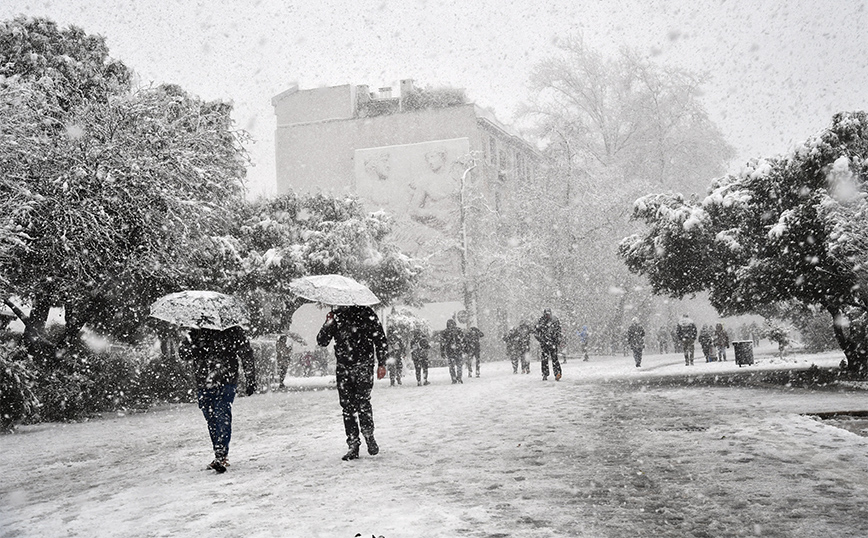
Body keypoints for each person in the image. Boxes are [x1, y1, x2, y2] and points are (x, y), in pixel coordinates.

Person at [178, 326, 256, 474]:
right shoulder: (195, 331)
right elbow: (183, 353)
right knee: (211, 417)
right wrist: (195, 349)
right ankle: (219, 452)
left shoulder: (232, 330)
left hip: (225, 379)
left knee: (221, 413)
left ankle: (221, 454)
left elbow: (246, 353)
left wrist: (250, 378)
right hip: (204, 380)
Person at [316, 305, 388, 461]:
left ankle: (368, 435)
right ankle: (353, 444)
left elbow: (380, 338)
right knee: (347, 407)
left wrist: (382, 363)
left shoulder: (366, 313)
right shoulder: (336, 316)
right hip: (344, 367)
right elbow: (322, 341)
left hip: (363, 364)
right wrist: (328, 324)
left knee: (363, 402)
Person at [534, 308, 563, 381]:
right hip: (544, 343)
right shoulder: (541, 321)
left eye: (548, 314)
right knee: (545, 359)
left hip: (553, 342)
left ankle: (557, 373)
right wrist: (541, 340)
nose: (547, 316)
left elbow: (559, 331)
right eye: (546, 314)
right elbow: (536, 333)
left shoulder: (554, 320)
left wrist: (558, 339)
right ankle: (545, 374)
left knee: (554, 358)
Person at [440, 318, 465, 384]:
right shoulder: (459, 330)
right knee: (459, 365)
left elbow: (442, 343)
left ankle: (454, 379)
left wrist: (442, 351)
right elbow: (463, 340)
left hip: (449, 351)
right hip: (458, 350)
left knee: (451, 366)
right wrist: (463, 348)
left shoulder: (445, 332)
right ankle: (459, 378)